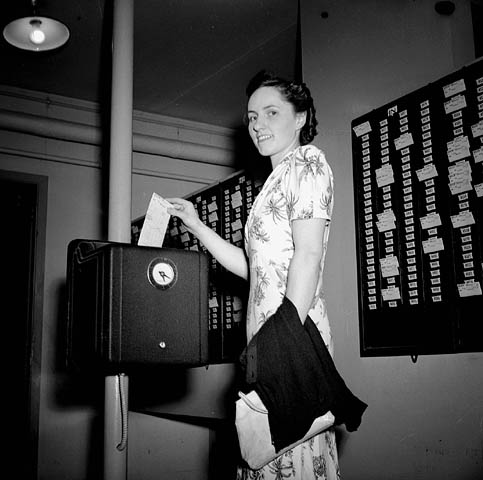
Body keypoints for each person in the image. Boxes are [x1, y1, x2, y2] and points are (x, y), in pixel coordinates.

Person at [167, 70, 339, 479]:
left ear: (300, 118)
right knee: (264, 454)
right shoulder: (270, 185)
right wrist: (196, 225)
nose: (257, 124)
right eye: (251, 117)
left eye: (271, 112)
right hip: (267, 336)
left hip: (290, 333)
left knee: (289, 451)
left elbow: (309, 254)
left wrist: (283, 340)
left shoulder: (307, 162)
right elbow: (254, 269)